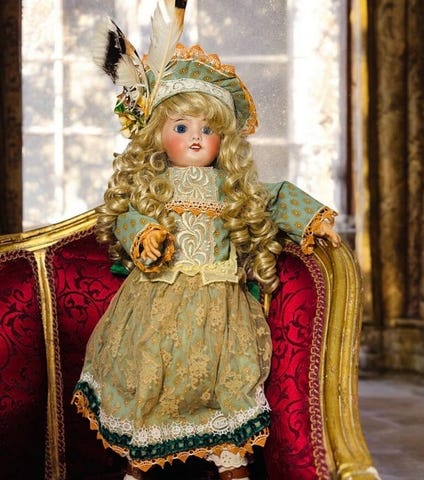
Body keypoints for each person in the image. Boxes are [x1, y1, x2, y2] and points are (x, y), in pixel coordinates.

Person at [72, 5, 340, 480]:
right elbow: (129, 216)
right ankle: (139, 459)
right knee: (150, 372)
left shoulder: (229, 187)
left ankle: (231, 461)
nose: (195, 138)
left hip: (221, 307)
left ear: (223, 139)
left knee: (228, 380)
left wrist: (311, 220)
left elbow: (275, 196)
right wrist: (145, 235)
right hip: (156, 305)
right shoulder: (154, 184)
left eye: (207, 129)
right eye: (181, 128)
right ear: (158, 135)